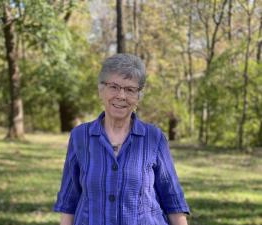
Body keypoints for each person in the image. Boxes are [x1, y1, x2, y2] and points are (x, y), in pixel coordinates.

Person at [53, 53, 190, 225]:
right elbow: (69, 199)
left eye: (130, 89)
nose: (121, 95)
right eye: (114, 87)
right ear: (101, 90)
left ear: (138, 96)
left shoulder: (154, 138)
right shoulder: (80, 137)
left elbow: (173, 199)